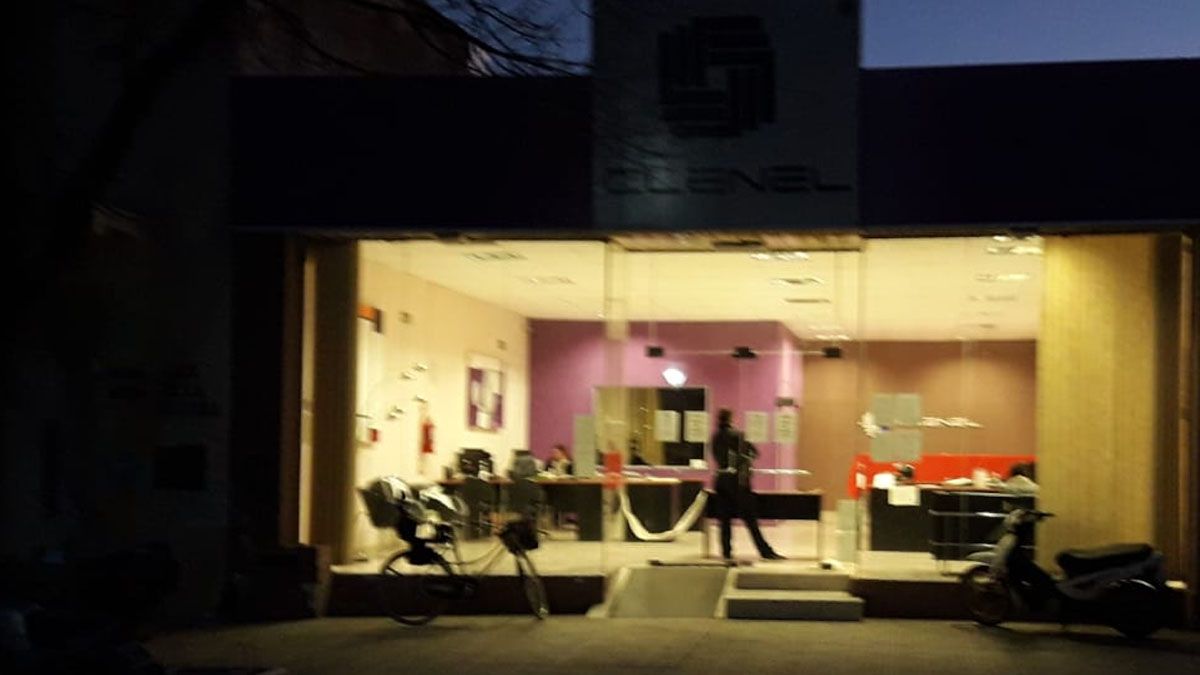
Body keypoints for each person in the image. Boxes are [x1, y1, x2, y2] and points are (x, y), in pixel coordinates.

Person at [711, 409, 784, 561]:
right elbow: (753, 453)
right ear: (730, 418)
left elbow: (717, 457)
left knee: (725, 520)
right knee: (750, 520)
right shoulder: (738, 435)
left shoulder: (715, 437)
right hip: (738, 483)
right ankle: (765, 551)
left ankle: (726, 552)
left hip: (721, 481)